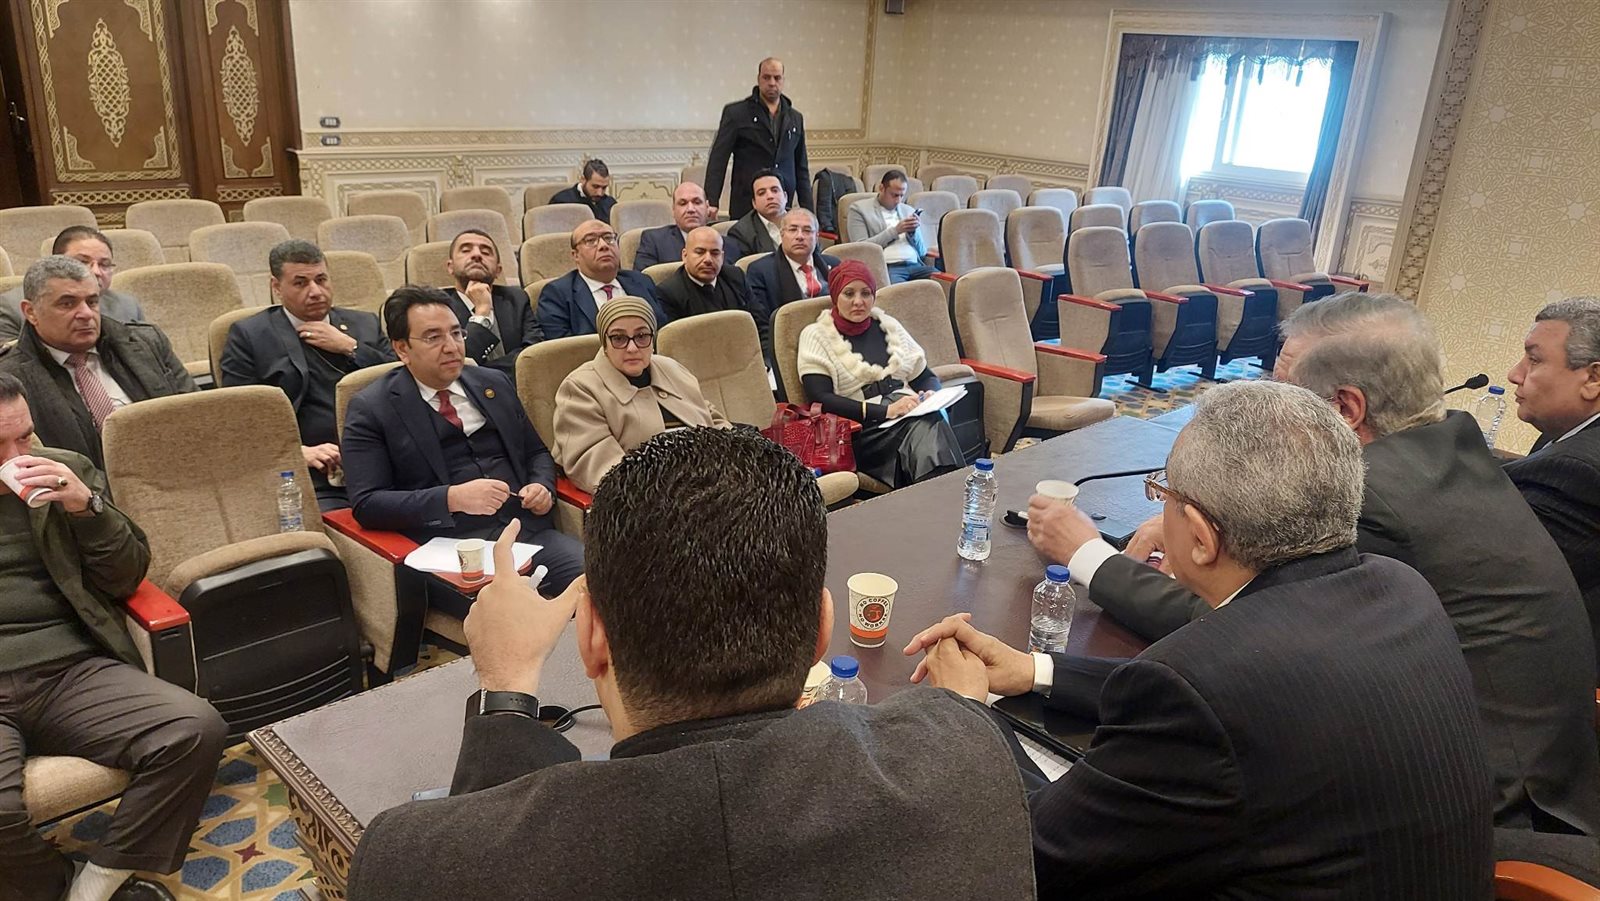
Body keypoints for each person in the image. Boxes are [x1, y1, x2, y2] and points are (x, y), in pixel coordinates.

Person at [344, 427, 1035, 901]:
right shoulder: (967, 757)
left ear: (591, 636)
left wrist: (505, 684)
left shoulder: (409, 864)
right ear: (821, 631)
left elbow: (501, 849)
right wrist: (958, 709)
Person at [1032, 294, 1600, 846]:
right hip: (1523, 763)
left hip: (1471, 809)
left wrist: (1089, 555)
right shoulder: (1450, 448)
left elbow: (1235, 630)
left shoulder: (1370, 500)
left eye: (1282, 397)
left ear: (1345, 410)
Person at [910, 380, 1495, 898]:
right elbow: (1245, 697)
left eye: (1163, 492)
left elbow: (1036, 854)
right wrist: (1037, 670)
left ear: (1199, 536)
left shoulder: (1204, 692)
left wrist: (964, 711)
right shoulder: (1402, 588)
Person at [0, 373, 227, 901]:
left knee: (195, 728)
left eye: (24, 437)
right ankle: (55, 886)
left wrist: (86, 507)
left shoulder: (64, 472)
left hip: (70, 669)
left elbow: (126, 577)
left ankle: (97, 882)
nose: (17, 457)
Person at [340, 286, 583, 596]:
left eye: (456, 333)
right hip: (450, 552)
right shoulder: (372, 408)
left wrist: (541, 486)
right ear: (402, 349)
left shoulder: (493, 383)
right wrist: (451, 498)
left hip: (526, 536)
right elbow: (367, 504)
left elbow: (536, 452)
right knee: (514, 613)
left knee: (600, 582)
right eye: (433, 337)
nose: (451, 347)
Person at [218, 240, 394, 511]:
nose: (315, 292)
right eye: (300, 283)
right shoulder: (250, 336)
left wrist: (350, 347)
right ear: (276, 287)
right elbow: (239, 417)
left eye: (321, 280)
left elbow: (399, 379)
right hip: (312, 472)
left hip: (382, 459)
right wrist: (297, 452)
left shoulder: (364, 324)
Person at [0, 257, 194, 470]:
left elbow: (196, 415)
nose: (86, 314)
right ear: (30, 312)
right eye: (67, 304)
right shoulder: (10, 376)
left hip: (179, 471)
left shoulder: (147, 343)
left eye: (92, 302)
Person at [796, 261, 962, 488]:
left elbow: (925, 376)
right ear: (835, 295)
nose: (858, 301)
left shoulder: (888, 325)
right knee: (928, 425)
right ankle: (948, 493)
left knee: (931, 418)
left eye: (866, 293)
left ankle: (934, 496)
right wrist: (887, 411)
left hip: (907, 415)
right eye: (849, 294)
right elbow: (821, 398)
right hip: (861, 430)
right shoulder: (815, 335)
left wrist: (931, 393)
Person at [1505, 296, 1600, 678]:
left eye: (1534, 359)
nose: (1515, 374)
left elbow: (1503, 580)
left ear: (1592, 379)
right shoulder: (1563, 437)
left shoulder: (1578, 470)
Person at [552, 297, 729, 493]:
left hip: (711, 480)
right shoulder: (580, 388)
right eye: (619, 338)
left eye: (642, 336)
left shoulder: (672, 368)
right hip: (649, 496)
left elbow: (714, 420)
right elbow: (602, 469)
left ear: (652, 340)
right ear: (605, 343)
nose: (632, 348)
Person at [704, 58, 810, 220]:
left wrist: (808, 210)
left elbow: (801, 167)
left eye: (777, 78)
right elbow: (718, 159)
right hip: (746, 201)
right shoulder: (736, 113)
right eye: (766, 77)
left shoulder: (795, 118)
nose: (772, 83)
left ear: (783, 80)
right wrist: (712, 200)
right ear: (758, 79)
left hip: (783, 203)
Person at [0, 226, 146, 342]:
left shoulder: (127, 306)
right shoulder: (10, 309)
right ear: (55, 263)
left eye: (104, 264)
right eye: (82, 262)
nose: (96, 272)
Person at [535, 221, 667, 341]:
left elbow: (662, 332)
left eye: (609, 238)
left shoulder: (641, 281)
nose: (603, 246)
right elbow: (564, 351)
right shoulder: (556, 294)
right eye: (590, 240)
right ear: (576, 255)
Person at [441, 229, 541, 374]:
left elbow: (534, 352)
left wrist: (484, 370)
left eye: (486, 252)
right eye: (466, 250)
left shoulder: (516, 298)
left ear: (498, 270)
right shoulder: (439, 306)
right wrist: (482, 313)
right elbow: (456, 362)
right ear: (450, 267)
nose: (476, 255)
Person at [745, 208, 836, 363]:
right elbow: (762, 325)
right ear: (782, 234)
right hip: (790, 348)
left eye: (807, 231)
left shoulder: (834, 265)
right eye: (793, 230)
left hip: (834, 343)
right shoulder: (760, 271)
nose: (800, 236)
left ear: (817, 236)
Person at [846, 169, 935, 283]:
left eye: (902, 196)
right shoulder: (859, 209)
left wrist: (913, 234)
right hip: (888, 267)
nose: (898, 200)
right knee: (900, 291)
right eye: (894, 195)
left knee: (947, 283)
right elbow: (861, 249)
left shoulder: (908, 210)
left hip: (915, 265)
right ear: (881, 188)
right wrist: (895, 231)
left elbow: (922, 252)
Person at [654, 226, 758, 324]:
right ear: (685, 256)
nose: (708, 260)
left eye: (715, 253)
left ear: (722, 257)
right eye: (700, 252)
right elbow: (674, 336)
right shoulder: (668, 293)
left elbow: (760, 322)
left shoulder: (736, 277)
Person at [633, 181, 710, 270]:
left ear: (707, 207)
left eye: (697, 202)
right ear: (673, 210)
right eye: (683, 203)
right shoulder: (653, 241)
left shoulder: (722, 242)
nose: (690, 209)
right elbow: (641, 277)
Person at [724, 170, 787, 261]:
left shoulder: (803, 220)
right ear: (754, 203)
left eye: (774, 190)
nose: (770, 196)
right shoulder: (742, 233)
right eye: (762, 193)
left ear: (785, 196)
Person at [549, 159, 617, 225]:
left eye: (604, 187)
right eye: (595, 186)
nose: (599, 193)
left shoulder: (610, 203)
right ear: (583, 180)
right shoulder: (561, 202)